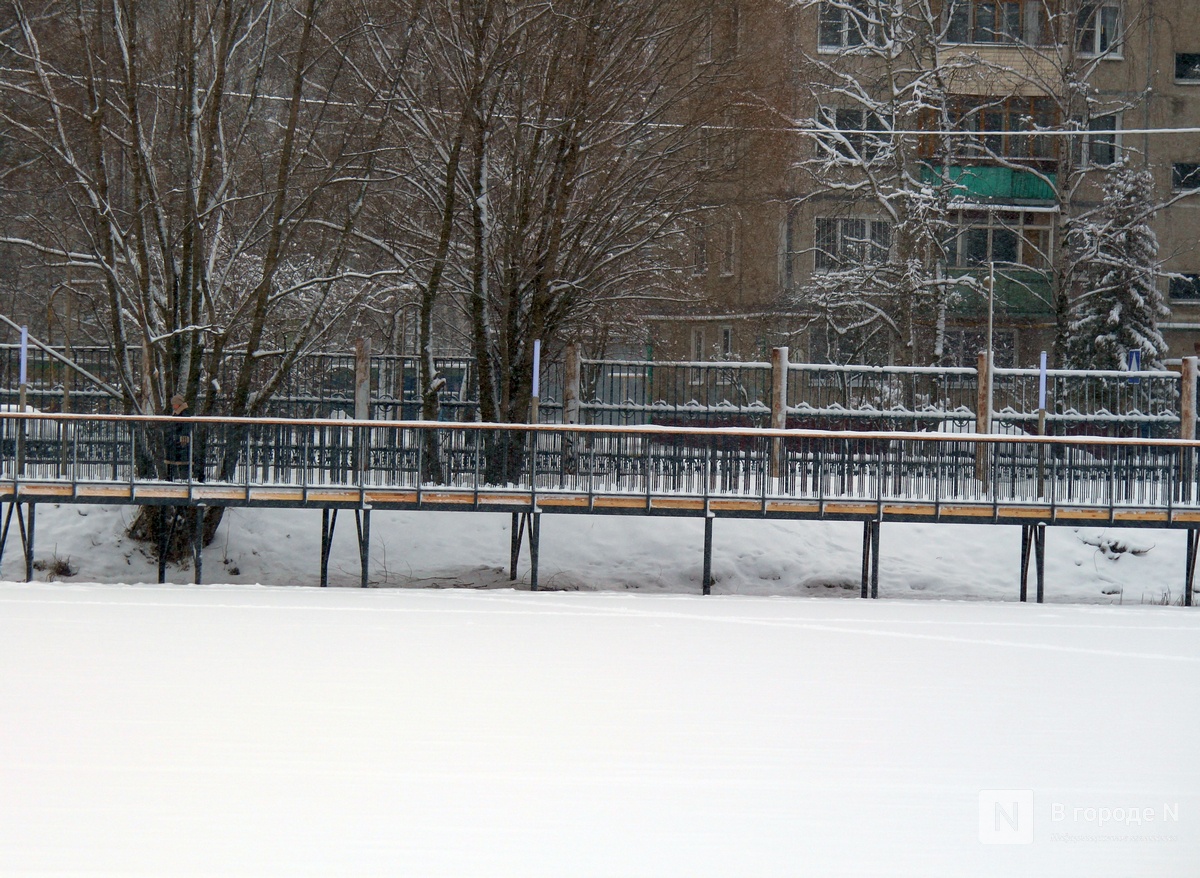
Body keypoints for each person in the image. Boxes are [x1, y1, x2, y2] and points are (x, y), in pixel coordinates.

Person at [164, 394, 193, 481]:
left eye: (174, 404)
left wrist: (180, 438)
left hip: (180, 441)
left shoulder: (183, 414)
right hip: (176, 440)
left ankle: (183, 478)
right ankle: (174, 477)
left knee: (182, 461)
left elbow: (184, 427)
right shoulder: (179, 413)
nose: (173, 406)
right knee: (175, 459)